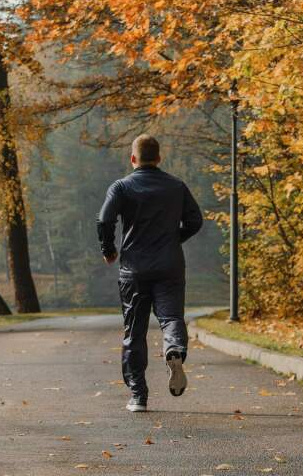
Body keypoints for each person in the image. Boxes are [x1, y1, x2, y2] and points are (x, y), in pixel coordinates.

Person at [97, 134, 203, 413]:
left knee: (135, 331)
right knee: (171, 318)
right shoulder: (176, 186)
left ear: (133, 159)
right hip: (169, 265)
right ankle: (174, 350)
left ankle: (138, 396)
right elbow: (195, 220)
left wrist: (108, 249)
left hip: (134, 269)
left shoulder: (121, 187)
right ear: (159, 158)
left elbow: (104, 219)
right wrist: (173, 239)